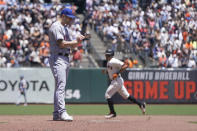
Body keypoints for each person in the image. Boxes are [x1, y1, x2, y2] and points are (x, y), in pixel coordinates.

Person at [48, 8, 85, 121]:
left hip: (64, 58)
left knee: (59, 86)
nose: (70, 20)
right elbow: (61, 44)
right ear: (63, 15)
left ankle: (56, 113)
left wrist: (77, 40)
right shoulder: (56, 26)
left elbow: (71, 45)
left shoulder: (65, 28)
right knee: (61, 86)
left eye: (71, 18)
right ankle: (62, 112)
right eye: (69, 18)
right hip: (58, 57)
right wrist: (75, 42)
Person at [103, 49, 146, 119]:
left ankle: (112, 113)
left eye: (106, 54)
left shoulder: (113, 60)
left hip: (116, 81)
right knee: (127, 96)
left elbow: (125, 65)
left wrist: (117, 73)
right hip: (117, 81)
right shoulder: (109, 62)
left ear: (110, 55)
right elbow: (111, 70)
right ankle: (141, 104)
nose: (105, 55)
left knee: (107, 95)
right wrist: (106, 72)